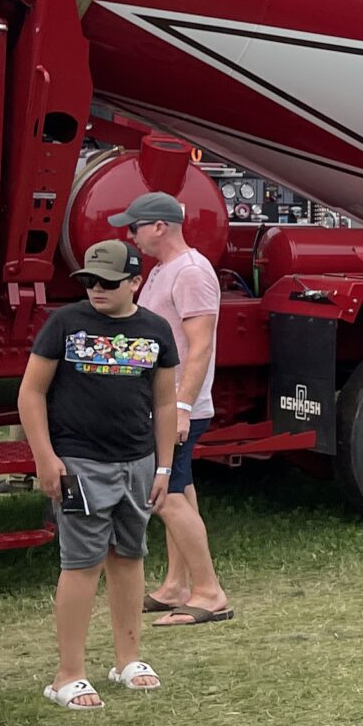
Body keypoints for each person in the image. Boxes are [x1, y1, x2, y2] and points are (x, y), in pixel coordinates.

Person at [17, 240, 178, 710]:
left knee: (129, 554)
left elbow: (165, 402)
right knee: (81, 562)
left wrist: (163, 465)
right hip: (79, 462)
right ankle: (68, 675)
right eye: (89, 280)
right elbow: (31, 393)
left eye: (107, 281)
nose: (96, 289)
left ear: (135, 282)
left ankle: (128, 659)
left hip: (138, 462)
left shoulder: (156, 330)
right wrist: (45, 457)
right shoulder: (64, 324)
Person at [114, 191, 235, 626]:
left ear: (159, 226)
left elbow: (200, 346)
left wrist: (182, 406)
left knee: (163, 495)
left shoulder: (191, 272)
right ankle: (177, 586)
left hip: (176, 407)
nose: (131, 235)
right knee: (180, 489)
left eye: (135, 227)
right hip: (163, 404)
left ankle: (209, 593)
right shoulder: (164, 270)